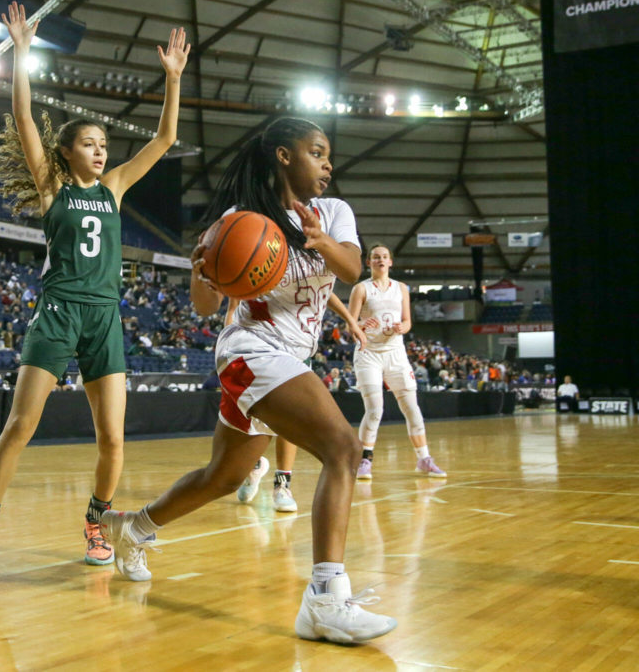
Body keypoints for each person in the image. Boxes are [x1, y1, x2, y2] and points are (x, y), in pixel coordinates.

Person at [100, 117, 397, 644]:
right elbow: (206, 305)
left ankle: (133, 528)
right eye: (316, 152)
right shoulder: (240, 221)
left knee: (225, 477)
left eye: (328, 155)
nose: (328, 164)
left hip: (289, 360)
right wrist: (201, 271)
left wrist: (320, 241)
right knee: (344, 449)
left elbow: (351, 269)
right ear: (284, 156)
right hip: (250, 351)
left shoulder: (333, 212)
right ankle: (325, 600)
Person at [0, 1, 190, 573]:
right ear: (66, 151)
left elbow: (165, 137)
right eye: (90, 143)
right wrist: (24, 55)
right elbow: (25, 119)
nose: (101, 149)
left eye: (104, 143)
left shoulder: (115, 188)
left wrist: (172, 79)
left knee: (113, 439)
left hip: (104, 316)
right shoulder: (52, 187)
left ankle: (97, 526)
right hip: (58, 312)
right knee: (20, 427)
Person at [228, 294, 365, 513]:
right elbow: (233, 305)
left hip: (295, 346)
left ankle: (283, 483)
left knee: (290, 417)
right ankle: (254, 465)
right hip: (256, 346)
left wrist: (350, 319)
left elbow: (326, 291)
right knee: (250, 416)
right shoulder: (256, 264)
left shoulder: (303, 264)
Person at [347, 244, 446, 480]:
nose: (380, 260)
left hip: (395, 353)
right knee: (375, 410)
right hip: (368, 353)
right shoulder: (361, 289)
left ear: (391, 262)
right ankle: (365, 460)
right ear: (368, 262)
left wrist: (403, 327)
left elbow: (408, 321)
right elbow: (349, 327)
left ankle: (424, 458)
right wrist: (360, 326)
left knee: (412, 408)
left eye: (384, 257)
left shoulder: (401, 288)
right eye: (376, 257)